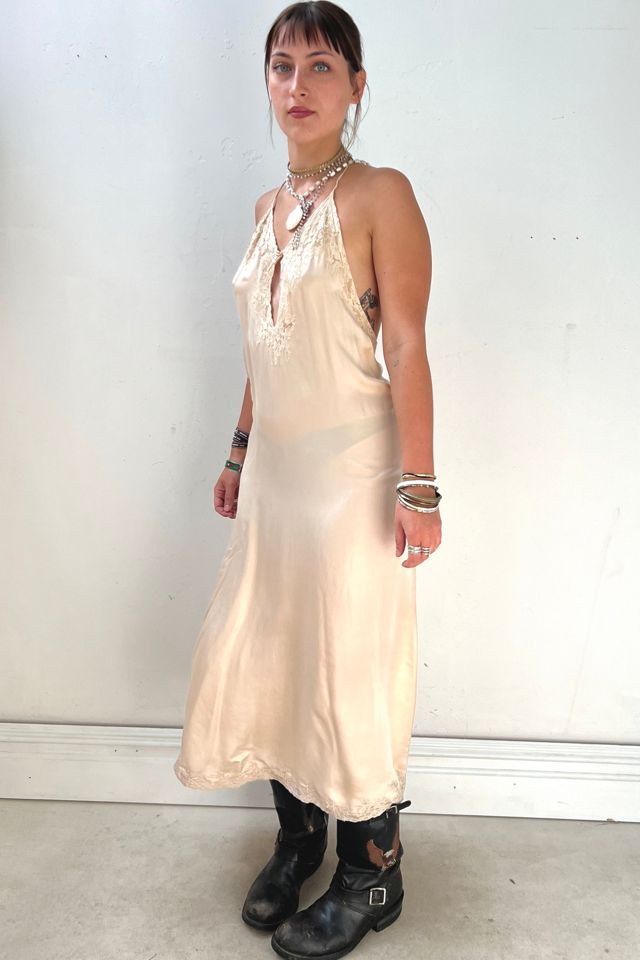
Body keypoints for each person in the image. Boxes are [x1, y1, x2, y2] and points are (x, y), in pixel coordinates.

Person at [174, 2, 441, 956]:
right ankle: (300, 842)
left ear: (356, 87)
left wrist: (419, 487)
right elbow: (266, 343)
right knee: (275, 655)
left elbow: (404, 346)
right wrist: (238, 452)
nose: (298, 85)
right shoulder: (266, 209)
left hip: (351, 480)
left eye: (321, 66)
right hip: (278, 482)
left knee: (348, 666)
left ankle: (373, 874)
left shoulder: (381, 194)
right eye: (282, 65)